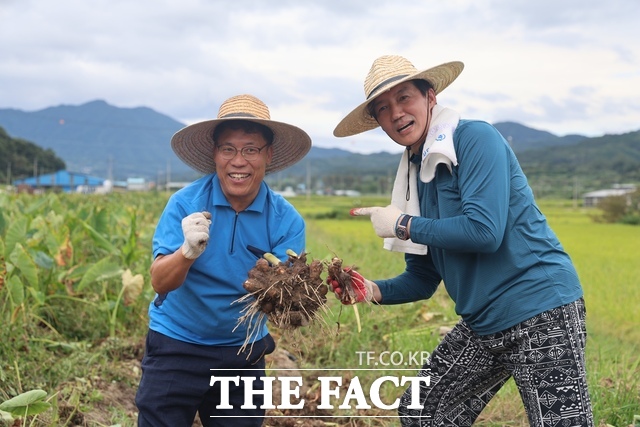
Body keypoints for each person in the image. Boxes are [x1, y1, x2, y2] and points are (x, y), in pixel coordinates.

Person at [329, 55, 594, 426]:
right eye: (384, 109)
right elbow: (422, 278)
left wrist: (403, 224)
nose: (397, 113)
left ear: (430, 97)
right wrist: (371, 290)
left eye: (405, 98)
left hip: (539, 308)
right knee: (423, 411)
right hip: (483, 321)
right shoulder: (414, 176)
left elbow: (483, 231)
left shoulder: (473, 138)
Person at [135, 94, 312, 426]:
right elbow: (159, 281)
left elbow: (290, 301)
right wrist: (186, 253)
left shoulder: (285, 220)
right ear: (215, 154)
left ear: (268, 155)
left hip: (243, 352)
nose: (238, 161)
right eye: (228, 149)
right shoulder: (185, 203)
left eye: (250, 149)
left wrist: (293, 292)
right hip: (177, 343)